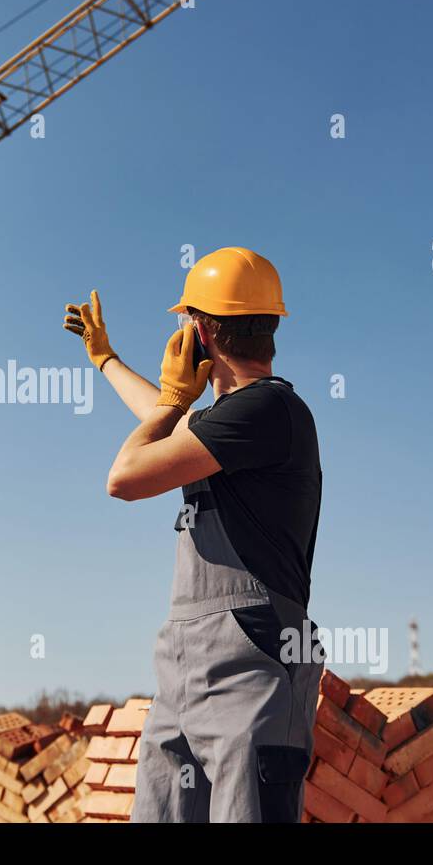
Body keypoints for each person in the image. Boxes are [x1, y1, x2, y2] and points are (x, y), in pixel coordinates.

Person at [62, 246, 324, 823]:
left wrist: (175, 397)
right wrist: (106, 360)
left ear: (202, 333)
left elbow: (126, 477)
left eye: (185, 321)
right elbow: (159, 421)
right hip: (184, 669)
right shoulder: (227, 425)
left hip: (251, 660)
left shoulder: (268, 409)